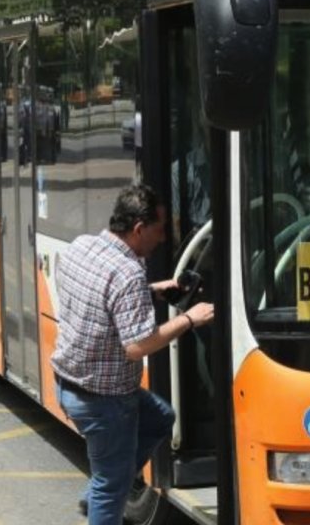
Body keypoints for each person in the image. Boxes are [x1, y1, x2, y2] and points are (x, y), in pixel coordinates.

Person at [51, 184, 214, 525]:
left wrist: (152, 290)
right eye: (160, 229)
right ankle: (103, 491)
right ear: (139, 229)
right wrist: (189, 318)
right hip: (104, 400)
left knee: (160, 419)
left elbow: (102, 298)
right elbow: (138, 347)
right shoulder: (127, 273)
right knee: (111, 490)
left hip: (69, 383)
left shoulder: (83, 247)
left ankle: (102, 486)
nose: (163, 238)